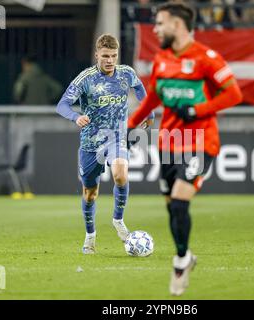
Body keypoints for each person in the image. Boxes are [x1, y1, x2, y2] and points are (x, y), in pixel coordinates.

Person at [127, 2, 243, 296]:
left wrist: (198, 109)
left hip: (201, 142)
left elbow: (233, 93)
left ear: (177, 25)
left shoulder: (206, 58)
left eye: (160, 23)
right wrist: (129, 126)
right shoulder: (162, 59)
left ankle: (179, 264)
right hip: (168, 143)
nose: (155, 29)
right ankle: (185, 255)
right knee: (171, 207)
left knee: (179, 201)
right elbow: (152, 98)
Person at [56, 34, 155, 254]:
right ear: (97, 55)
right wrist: (75, 117)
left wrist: (148, 111)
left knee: (121, 174)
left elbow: (139, 88)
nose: (110, 60)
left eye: (113, 56)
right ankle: (90, 236)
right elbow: (62, 104)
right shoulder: (85, 79)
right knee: (90, 193)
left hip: (116, 137)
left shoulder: (126, 73)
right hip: (91, 143)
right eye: (105, 56)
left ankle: (118, 220)